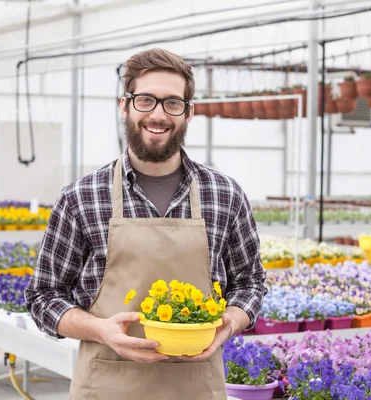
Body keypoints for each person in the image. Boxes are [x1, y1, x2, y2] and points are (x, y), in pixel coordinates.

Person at [25, 47, 266, 400]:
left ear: (188, 112)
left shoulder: (224, 194)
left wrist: (230, 322)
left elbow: (251, 282)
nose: (158, 114)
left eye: (172, 103)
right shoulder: (82, 197)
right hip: (107, 386)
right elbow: (43, 297)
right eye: (146, 100)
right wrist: (100, 329)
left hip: (196, 385)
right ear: (125, 106)